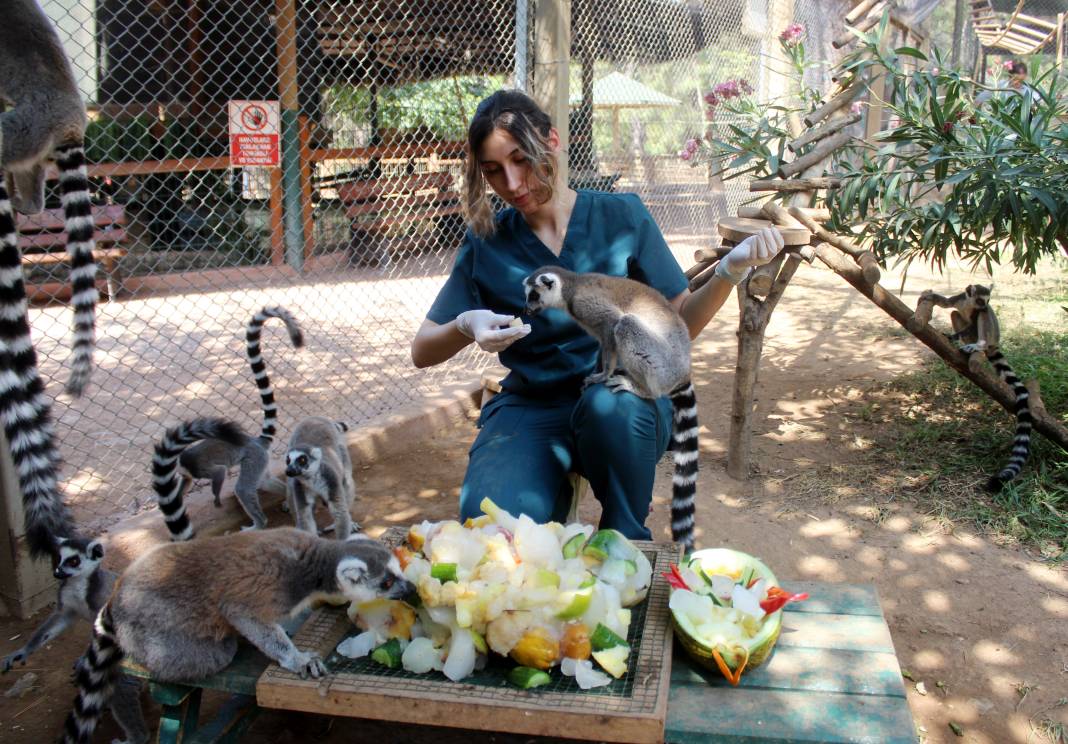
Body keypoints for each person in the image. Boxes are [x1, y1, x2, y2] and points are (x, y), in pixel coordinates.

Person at [410, 90, 783, 540]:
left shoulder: (620, 216)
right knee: (491, 530)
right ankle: (548, 492)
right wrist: (465, 325)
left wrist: (727, 271)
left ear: (552, 141)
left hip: (624, 400)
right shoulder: (487, 240)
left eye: (520, 159)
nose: (511, 183)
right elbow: (423, 350)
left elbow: (679, 322)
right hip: (533, 405)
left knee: (612, 408)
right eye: (493, 171)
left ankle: (625, 540)